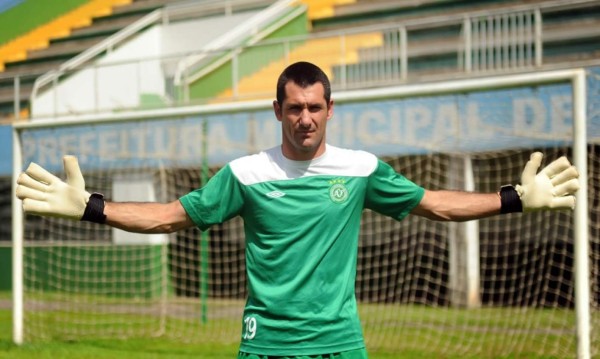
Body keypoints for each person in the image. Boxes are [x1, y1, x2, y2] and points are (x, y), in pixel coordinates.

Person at [16, 61, 580, 359]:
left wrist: (511, 198)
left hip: (340, 344)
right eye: (293, 108)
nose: (304, 117)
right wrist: (92, 207)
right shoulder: (245, 174)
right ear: (277, 111)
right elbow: (166, 216)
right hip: (266, 344)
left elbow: (437, 205)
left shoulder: (360, 169)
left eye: (314, 107)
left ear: (330, 110)